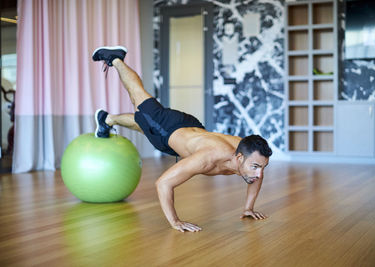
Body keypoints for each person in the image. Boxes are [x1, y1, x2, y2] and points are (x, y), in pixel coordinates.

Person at [92, 46, 273, 233]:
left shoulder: (250, 154)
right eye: (256, 167)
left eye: (262, 167)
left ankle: (107, 119)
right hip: (170, 128)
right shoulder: (209, 158)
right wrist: (175, 221)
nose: (259, 174)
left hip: (191, 129)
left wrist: (248, 208)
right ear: (239, 158)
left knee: (146, 125)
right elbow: (163, 183)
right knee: (137, 96)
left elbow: (256, 176)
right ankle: (115, 59)